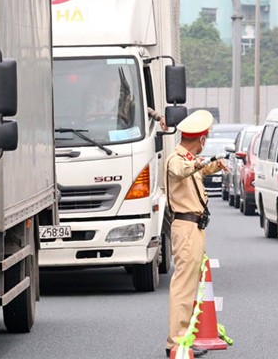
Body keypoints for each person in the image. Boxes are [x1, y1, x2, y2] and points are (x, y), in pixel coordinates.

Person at [164, 109, 226, 358]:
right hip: (186, 227)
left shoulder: (188, 159)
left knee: (191, 286)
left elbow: (197, 173)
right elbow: (180, 170)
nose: (205, 144)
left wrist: (213, 166)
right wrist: (197, 163)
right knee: (183, 286)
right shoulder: (176, 159)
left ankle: (184, 338)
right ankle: (176, 342)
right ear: (201, 139)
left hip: (194, 227)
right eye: (205, 139)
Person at [85, 68, 167, 130]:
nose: (110, 83)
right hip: (98, 136)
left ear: (118, 83)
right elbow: (88, 117)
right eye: (107, 79)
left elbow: (143, 109)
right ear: (103, 82)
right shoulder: (94, 100)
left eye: (113, 79)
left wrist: (160, 118)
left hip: (122, 136)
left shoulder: (126, 101)